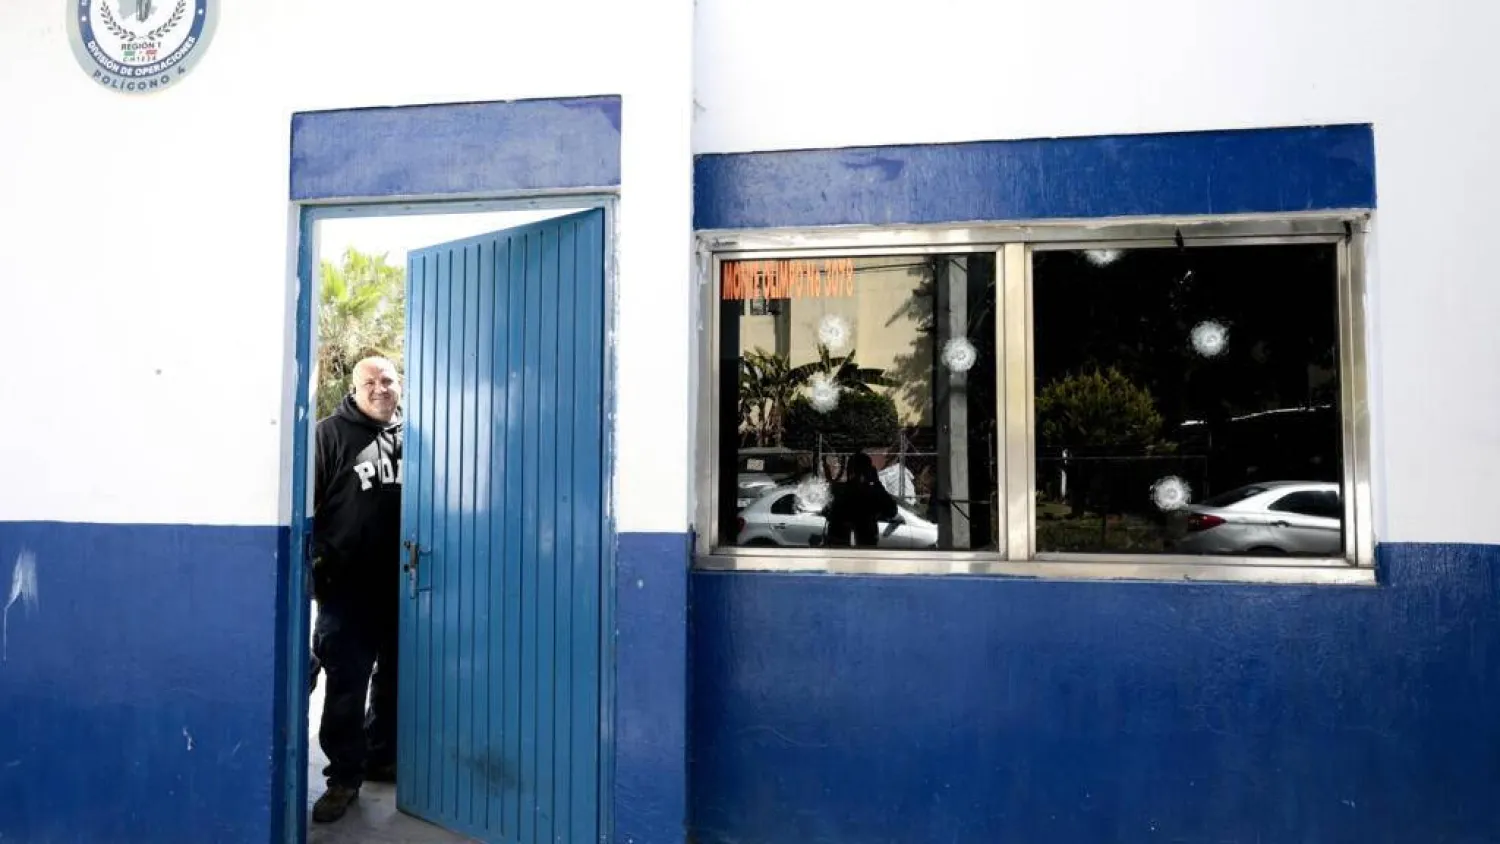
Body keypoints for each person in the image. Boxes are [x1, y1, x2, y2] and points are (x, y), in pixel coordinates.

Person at [309, 356, 404, 823]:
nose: (380, 388)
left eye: (388, 380)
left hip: (406, 585)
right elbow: (309, 507)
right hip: (347, 589)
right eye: (370, 382)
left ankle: (381, 757)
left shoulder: (415, 435)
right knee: (346, 685)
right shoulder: (329, 434)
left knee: (396, 681)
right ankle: (343, 778)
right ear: (354, 388)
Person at [823, 452, 899, 547]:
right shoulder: (872, 493)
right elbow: (891, 511)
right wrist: (876, 482)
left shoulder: (840, 491)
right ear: (869, 471)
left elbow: (827, 512)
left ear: (849, 470)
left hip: (841, 551)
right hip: (863, 551)